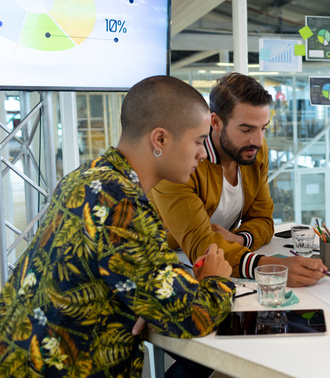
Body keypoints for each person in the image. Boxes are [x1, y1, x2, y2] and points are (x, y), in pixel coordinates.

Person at [0, 76, 235, 377]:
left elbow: (109, 274)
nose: (203, 154)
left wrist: (142, 302)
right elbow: (189, 317)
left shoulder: (87, 176)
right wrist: (216, 280)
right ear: (160, 139)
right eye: (199, 141)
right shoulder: (122, 203)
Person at [150, 73, 326, 287]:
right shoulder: (178, 163)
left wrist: (241, 239)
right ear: (215, 121)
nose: (258, 141)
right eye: (246, 129)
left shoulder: (253, 151)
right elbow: (201, 245)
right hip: (169, 267)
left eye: (263, 128)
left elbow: (263, 220)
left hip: (227, 261)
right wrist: (269, 266)